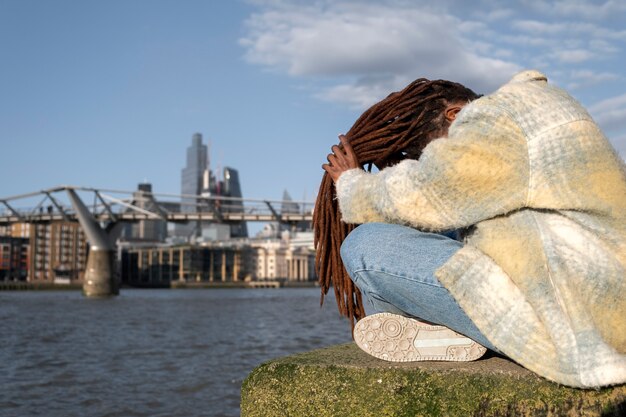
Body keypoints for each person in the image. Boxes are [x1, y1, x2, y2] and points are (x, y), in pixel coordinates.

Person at [322, 70, 626, 388]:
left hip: (579, 321)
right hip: (600, 297)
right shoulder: (535, 109)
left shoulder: (495, 117)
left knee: (365, 246)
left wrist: (352, 184)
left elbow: (432, 190)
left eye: (434, 154)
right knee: (431, 230)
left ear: (454, 114)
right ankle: (442, 331)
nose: (436, 163)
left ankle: (439, 327)